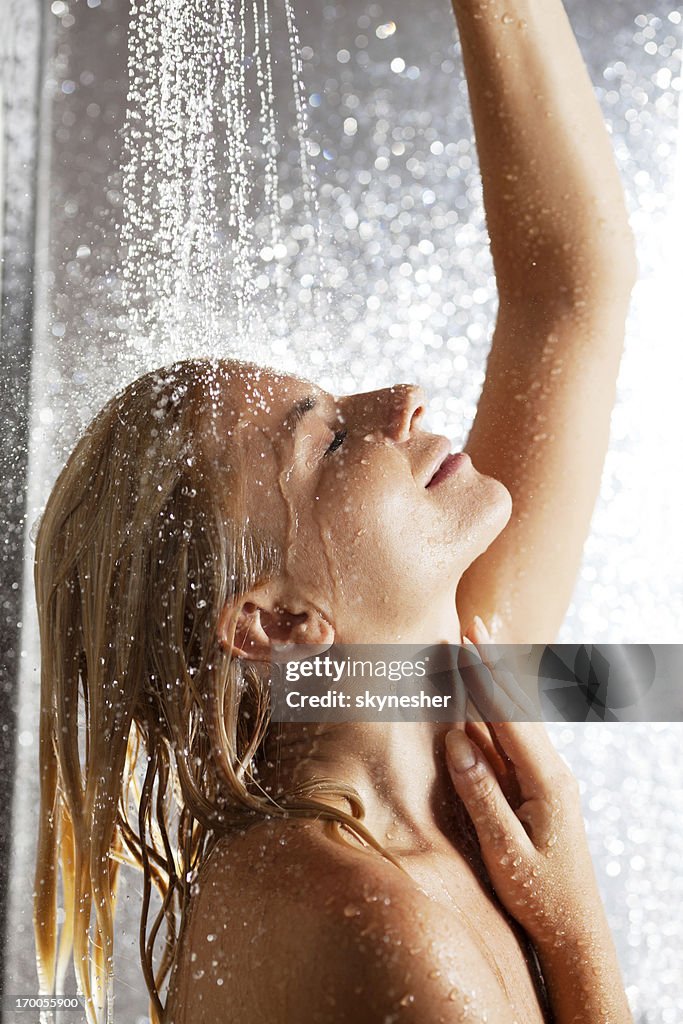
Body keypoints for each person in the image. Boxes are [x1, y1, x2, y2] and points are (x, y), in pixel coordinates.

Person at [33, 0, 638, 1021]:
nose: (399, 401)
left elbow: (570, 292)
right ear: (278, 622)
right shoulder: (375, 918)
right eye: (332, 439)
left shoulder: (434, 719)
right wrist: (573, 927)